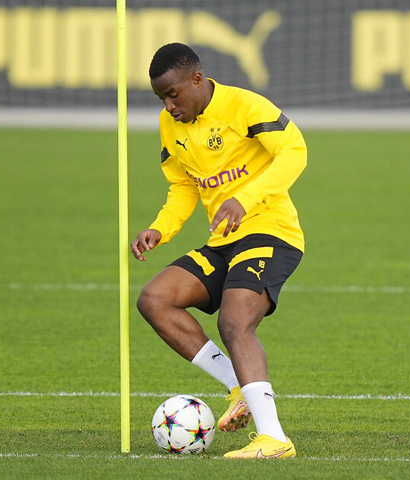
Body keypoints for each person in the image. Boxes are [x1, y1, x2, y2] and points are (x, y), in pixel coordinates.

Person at [130, 43, 307, 459]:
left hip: (270, 231)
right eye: (161, 98)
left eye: (173, 94)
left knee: (234, 322)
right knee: (155, 299)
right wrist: (160, 228)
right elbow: (183, 186)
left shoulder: (244, 106)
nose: (168, 106)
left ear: (197, 79)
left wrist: (245, 199)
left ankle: (274, 439)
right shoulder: (170, 124)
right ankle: (238, 387)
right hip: (224, 242)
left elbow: (295, 150)